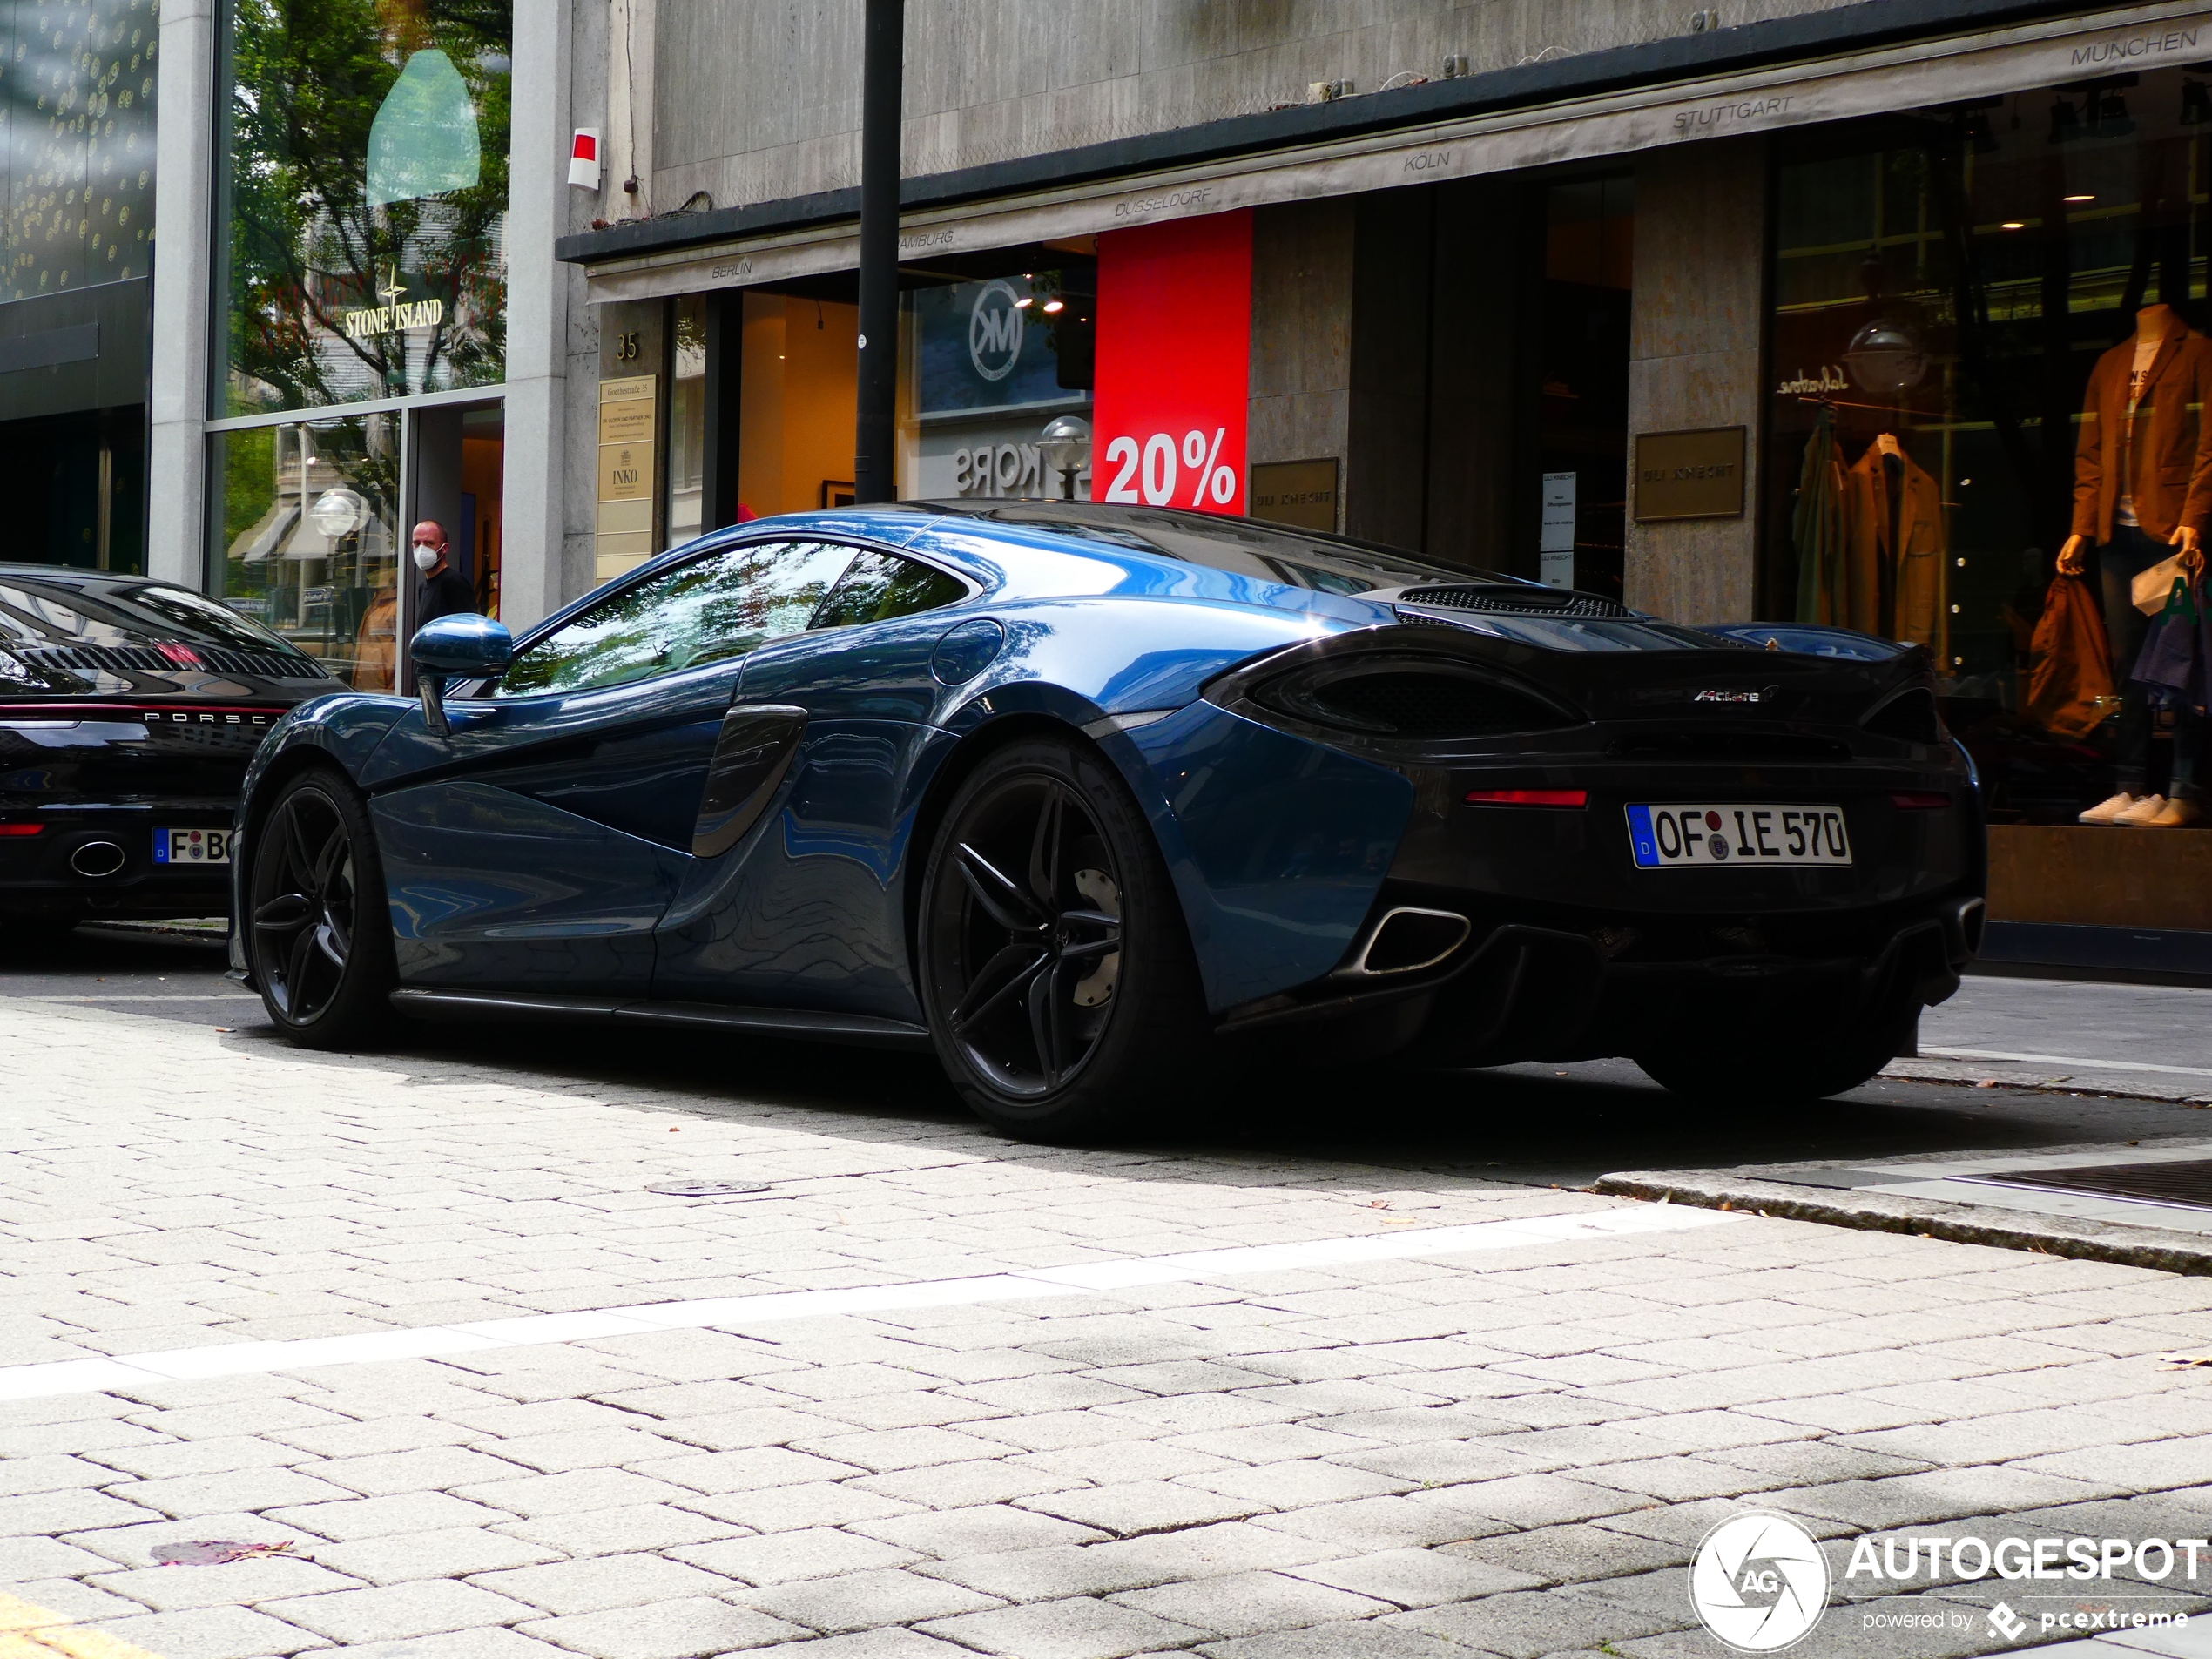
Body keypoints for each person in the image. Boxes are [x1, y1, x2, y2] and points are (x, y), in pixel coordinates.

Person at [411, 520, 477, 625]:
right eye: (417, 543)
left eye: (429, 543)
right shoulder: (423, 587)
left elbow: (468, 629)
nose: (422, 549)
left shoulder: (453, 582)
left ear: (444, 548)